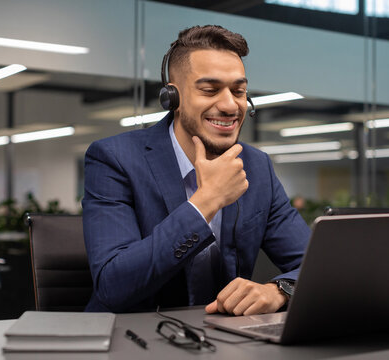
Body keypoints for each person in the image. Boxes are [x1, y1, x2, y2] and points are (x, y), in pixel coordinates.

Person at [83, 25, 311, 315]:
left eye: (238, 91)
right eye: (210, 90)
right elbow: (113, 285)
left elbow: (315, 264)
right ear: (172, 98)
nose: (230, 105)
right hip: (132, 339)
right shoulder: (115, 159)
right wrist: (205, 202)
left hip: (222, 339)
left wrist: (279, 290)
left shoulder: (256, 167)